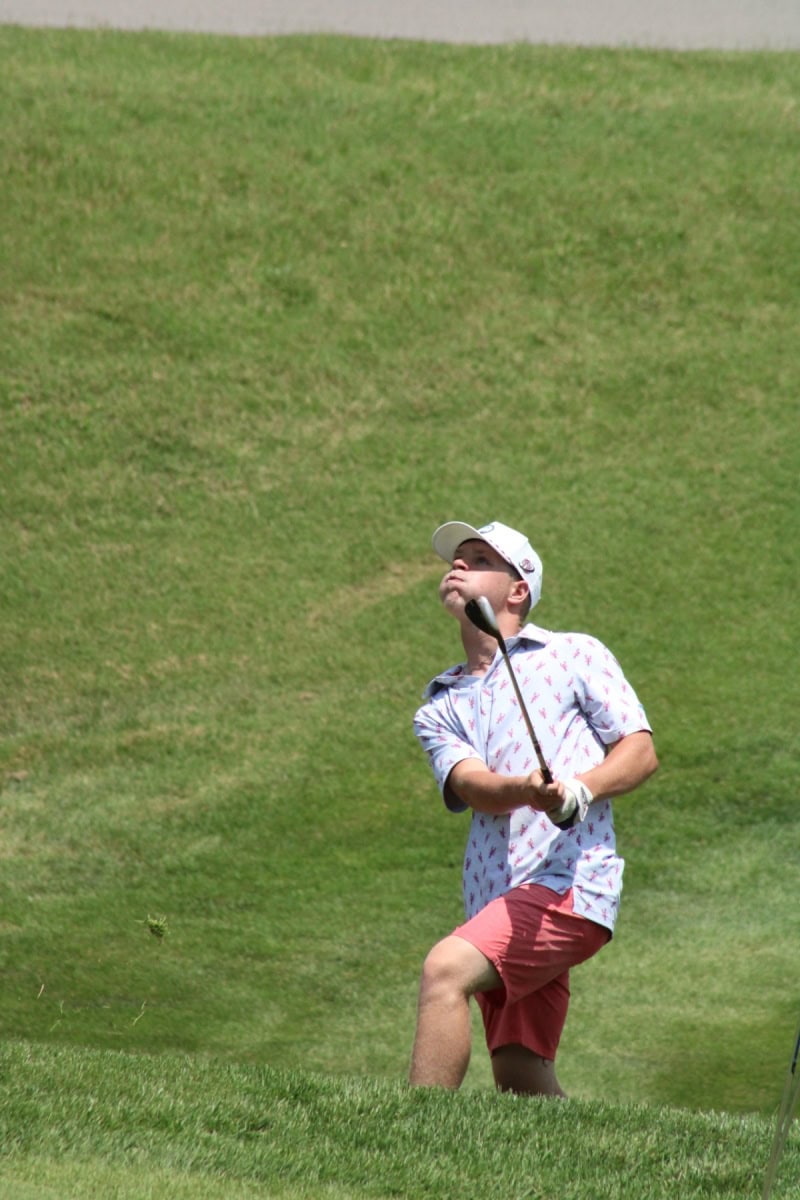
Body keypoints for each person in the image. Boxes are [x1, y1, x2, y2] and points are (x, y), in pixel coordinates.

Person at [409, 519, 658, 1097]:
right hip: (495, 901)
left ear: (518, 589)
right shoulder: (439, 704)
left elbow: (640, 751)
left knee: (444, 970)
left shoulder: (574, 654)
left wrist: (578, 791)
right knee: (520, 1075)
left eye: (479, 560)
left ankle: (406, 1131)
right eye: (457, 558)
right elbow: (471, 784)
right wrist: (527, 789)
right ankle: (599, 1155)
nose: (459, 566)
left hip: (567, 886)